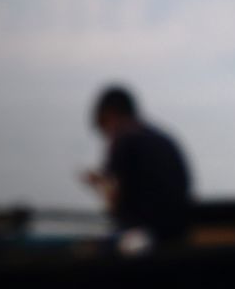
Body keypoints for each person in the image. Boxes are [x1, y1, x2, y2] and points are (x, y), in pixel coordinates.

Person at [81, 85, 193, 245]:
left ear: (109, 115)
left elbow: (114, 204)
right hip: (178, 233)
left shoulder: (123, 139)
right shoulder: (162, 138)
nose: (106, 137)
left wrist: (98, 183)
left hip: (144, 237)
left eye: (103, 127)